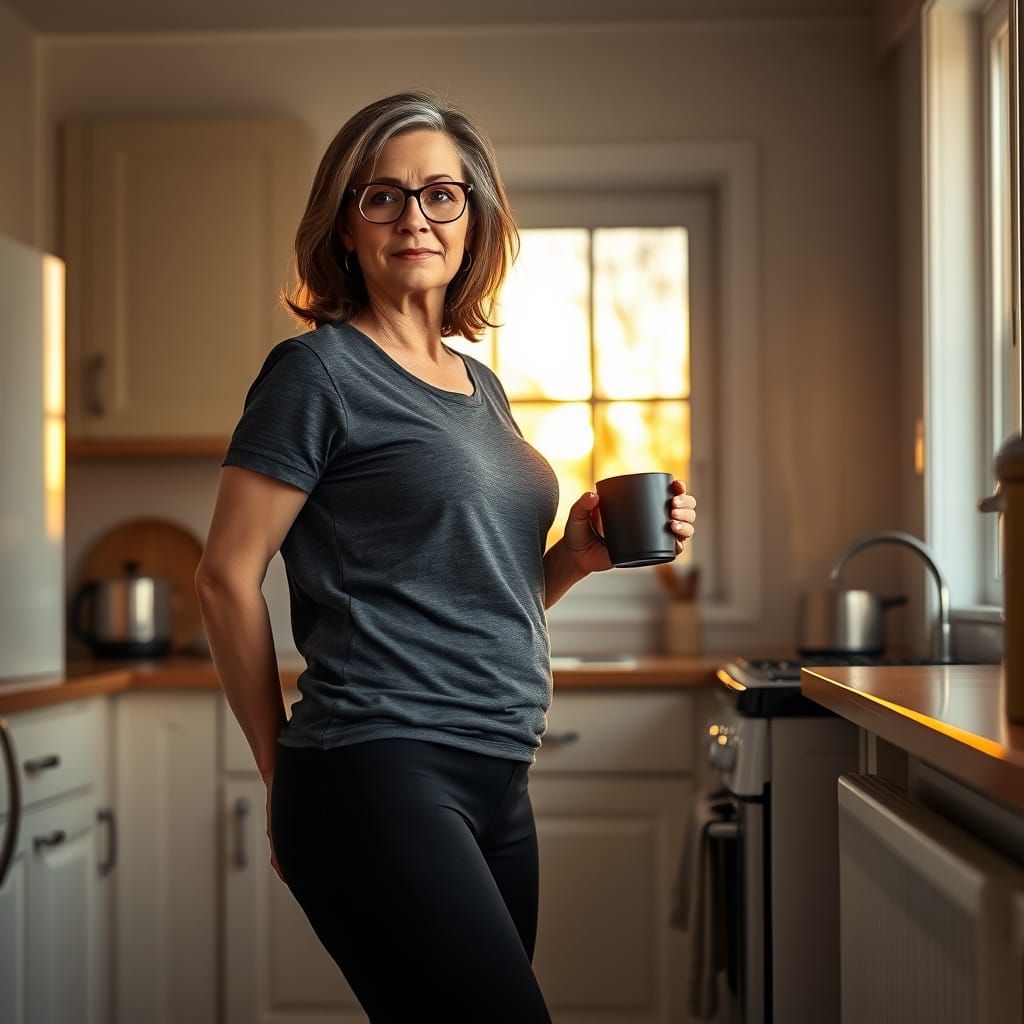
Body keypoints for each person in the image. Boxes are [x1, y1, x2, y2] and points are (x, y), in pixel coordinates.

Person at [194, 88, 697, 1024]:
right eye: (381, 196)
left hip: (497, 769)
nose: (414, 217)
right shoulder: (317, 373)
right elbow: (224, 580)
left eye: (441, 195)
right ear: (345, 226)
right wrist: (279, 772)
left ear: (474, 219)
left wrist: (575, 559)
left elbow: (463, 594)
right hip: (376, 769)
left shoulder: (480, 384)